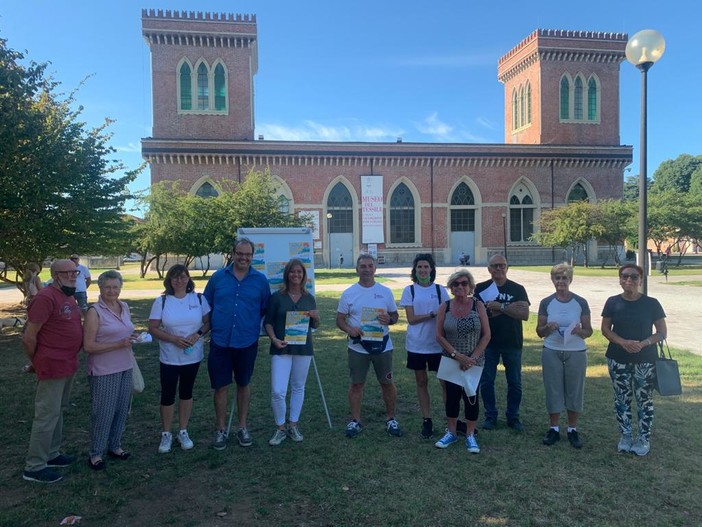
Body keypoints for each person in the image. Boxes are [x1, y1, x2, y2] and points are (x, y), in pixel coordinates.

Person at [203, 238, 271, 450]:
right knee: (221, 387)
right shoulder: (217, 278)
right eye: (240, 253)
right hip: (220, 341)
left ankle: (242, 427)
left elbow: (263, 309)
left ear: (253, 256)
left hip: (246, 341)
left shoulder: (260, 281)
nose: (243, 258)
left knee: (243, 384)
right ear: (233, 254)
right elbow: (207, 305)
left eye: (247, 254)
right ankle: (221, 429)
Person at [21, 259, 83, 483]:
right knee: (46, 415)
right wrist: (37, 362)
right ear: (55, 275)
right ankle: (35, 466)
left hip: (68, 363)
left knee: (59, 410)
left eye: (74, 272)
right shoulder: (45, 298)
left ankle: (52, 453)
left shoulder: (67, 295)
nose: (73, 276)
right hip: (52, 364)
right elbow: (28, 337)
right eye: (67, 273)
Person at [601, 264, 667, 456]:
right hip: (617, 358)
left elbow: (662, 332)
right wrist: (623, 342)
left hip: (645, 360)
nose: (628, 280)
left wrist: (643, 343)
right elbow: (605, 329)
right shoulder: (612, 302)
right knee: (622, 399)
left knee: (644, 400)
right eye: (624, 276)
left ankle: (643, 439)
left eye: (633, 277)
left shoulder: (651, 303)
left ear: (641, 280)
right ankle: (626, 436)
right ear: (620, 279)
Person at [336, 253, 402, 438]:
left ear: (375, 269)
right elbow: (340, 319)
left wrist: (389, 319)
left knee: (387, 383)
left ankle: (391, 418)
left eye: (369, 266)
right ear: (357, 269)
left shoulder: (385, 291)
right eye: (362, 266)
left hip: (383, 346)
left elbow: (395, 317)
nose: (366, 269)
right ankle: (356, 420)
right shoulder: (349, 293)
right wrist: (349, 329)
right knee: (357, 384)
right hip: (358, 347)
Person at [148, 264, 211, 454]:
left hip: (192, 356)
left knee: (186, 392)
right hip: (169, 357)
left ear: (188, 279)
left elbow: (207, 322)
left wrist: (197, 335)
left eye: (183, 277)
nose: (179, 280)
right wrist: (173, 339)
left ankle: (183, 430)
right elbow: (153, 327)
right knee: (168, 394)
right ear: (169, 280)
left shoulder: (199, 298)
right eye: (175, 277)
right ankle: (166, 433)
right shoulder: (162, 301)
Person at [535, 263, 593, 449]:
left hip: (575, 351)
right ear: (552, 280)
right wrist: (547, 327)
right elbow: (539, 331)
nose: (561, 281)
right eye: (557, 278)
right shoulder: (546, 302)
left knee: (574, 390)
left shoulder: (580, 302)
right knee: (553, 389)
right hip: (551, 350)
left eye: (564, 278)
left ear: (571, 280)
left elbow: (589, 331)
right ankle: (554, 428)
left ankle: (572, 429)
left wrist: (579, 331)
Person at [264, 259, 320, 445]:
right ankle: (280, 428)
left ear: (304, 276)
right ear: (287, 274)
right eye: (292, 272)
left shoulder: (309, 297)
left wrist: (316, 317)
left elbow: (315, 325)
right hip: (281, 348)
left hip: (303, 349)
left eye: (299, 272)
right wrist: (273, 339)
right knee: (278, 390)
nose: (296, 275)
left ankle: (293, 425)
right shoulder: (277, 297)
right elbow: (268, 323)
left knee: (298, 387)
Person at [82, 270, 135, 470]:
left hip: (125, 366)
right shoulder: (94, 312)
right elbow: (88, 346)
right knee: (104, 412)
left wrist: (132, 338)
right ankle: (96, 453)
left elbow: (125, 331)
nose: (112, 291)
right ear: (100, 288)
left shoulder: (124, 306)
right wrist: (119, 344)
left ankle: (115, 446)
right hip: (104, 369)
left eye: (115, 287)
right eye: (107, 287)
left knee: (121, 410)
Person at [435, 270, 490, 453]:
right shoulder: (445, 306)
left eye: (464, 283)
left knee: (471, 398)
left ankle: (470, 434)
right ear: (451, 287)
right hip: (451, 360)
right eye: (456, 284)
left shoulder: (478, 306)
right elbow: (439, 336)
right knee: (451, 397)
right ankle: (451, 431)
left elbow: (486, 335)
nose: (460, 287)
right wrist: (457, 356)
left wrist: (472, 358)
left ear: (470, 286)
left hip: (474, 362)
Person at [475, 254, 530, 431]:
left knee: (514, 381)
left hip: (512, 342)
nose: (498, 268)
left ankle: (513, 417)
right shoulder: (481, 288)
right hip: (488, 342)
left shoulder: (518, 288)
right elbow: (479, 313)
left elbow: (524, 314)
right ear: (489, 268)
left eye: (502, 265)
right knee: (486, 381)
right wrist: (510, 308)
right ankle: (490, 416)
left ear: (507, 267)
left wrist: (500, 307)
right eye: (495, 266)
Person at [399, 253, 450, 438]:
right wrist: (431, 314)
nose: (422, 270)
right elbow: (411, 320)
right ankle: (426, 419)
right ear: (415, 270)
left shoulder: (439, 290)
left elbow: (447, 314)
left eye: (426, 267)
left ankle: (450, 420)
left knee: (444, 382)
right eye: (419, 267)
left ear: (431, 269)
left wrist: (438, 315)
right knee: (421, 382)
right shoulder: (409, 290)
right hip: (417, 345)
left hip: (438, 344)